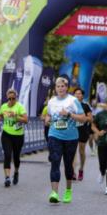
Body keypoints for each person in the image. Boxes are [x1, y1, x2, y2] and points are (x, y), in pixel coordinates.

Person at [42, 76, 90, 204]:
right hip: (54, 135)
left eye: (63, 86)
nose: (60, 88)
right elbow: (48, 115)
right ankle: (54, 193)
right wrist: (47, 120)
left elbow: (83, 118)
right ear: (55, 88)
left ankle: (68, 190)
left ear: (67, 88)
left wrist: (69, 114)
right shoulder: (51, 101)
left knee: (68, 165)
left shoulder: (73, 101)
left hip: (71, 137)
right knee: (55, 162)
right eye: (58, 86)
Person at [0, 87, 27, 187]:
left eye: (13, 98)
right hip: (6, 134)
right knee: (7, 154)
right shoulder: (3, 106)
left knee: (16, 157)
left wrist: (16, 116)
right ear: (7, 98)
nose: (11, 101)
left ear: (16, 98)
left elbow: (26, 120)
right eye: (9, 99)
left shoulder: (20, 107)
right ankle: (7, 178)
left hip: (18, 135)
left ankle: (16, 172)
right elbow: (0, 116)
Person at [72, 87, 91, 181]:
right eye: (76, 93)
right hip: (72, 130)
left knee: (81, 151)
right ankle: (73, 172)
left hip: (83, 130)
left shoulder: (85, 106)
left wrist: (81, 118)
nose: (78, 95)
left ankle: (81, 169)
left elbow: (90, 119)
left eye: (79, 93)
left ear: (82, 96)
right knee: (73, 152)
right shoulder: (70, 106)